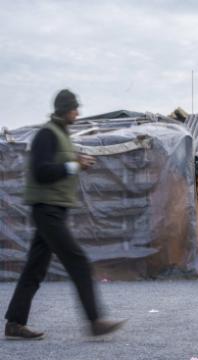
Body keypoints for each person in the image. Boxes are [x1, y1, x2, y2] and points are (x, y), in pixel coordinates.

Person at [4, 89, 125, 340]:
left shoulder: (61, 135)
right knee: (78, 260)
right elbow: (41, 172)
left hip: (54, 209)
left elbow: (56, 166)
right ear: (64, 109)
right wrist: (74, 165)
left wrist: (76, 162)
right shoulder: (46, 134)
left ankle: (14, 323)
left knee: (34, 269)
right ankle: (95, 321)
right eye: (74, 108)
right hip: (47, 210)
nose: (77, 113)